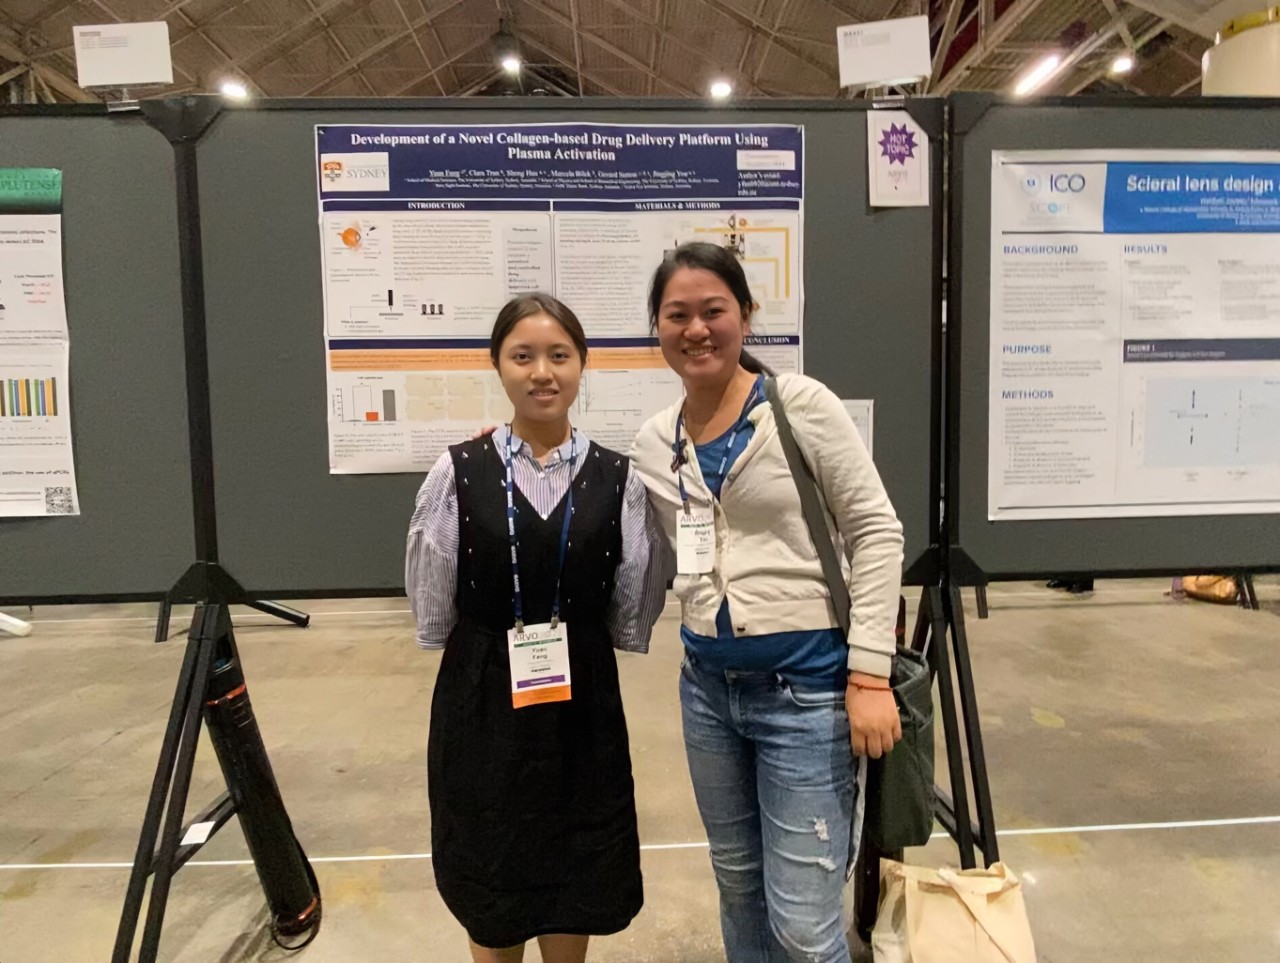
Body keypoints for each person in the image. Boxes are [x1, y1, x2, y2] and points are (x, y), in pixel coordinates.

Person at [630, 243, 906, 963]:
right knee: (739, 889)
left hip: (807, 693)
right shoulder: (654, 444)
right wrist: (509, 450)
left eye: (713, 310)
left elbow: (876, 530)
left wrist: (869, 673)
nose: (697, 329)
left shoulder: (801, 406)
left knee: (806, 924)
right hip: (708, 693)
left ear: (745, 316)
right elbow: (618, 534)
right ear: (656, 327)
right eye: (677, 314)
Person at [405, 293, 668, 963]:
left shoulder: (619, 477)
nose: (541, 372)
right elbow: (434, 610)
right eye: (523, 356)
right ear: (497, 365)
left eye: (559, 355)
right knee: (490, 856)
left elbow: (630, 610)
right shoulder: (456, 472)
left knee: (573, 855)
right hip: (483, 695)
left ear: (583, 365)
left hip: (582, 698)